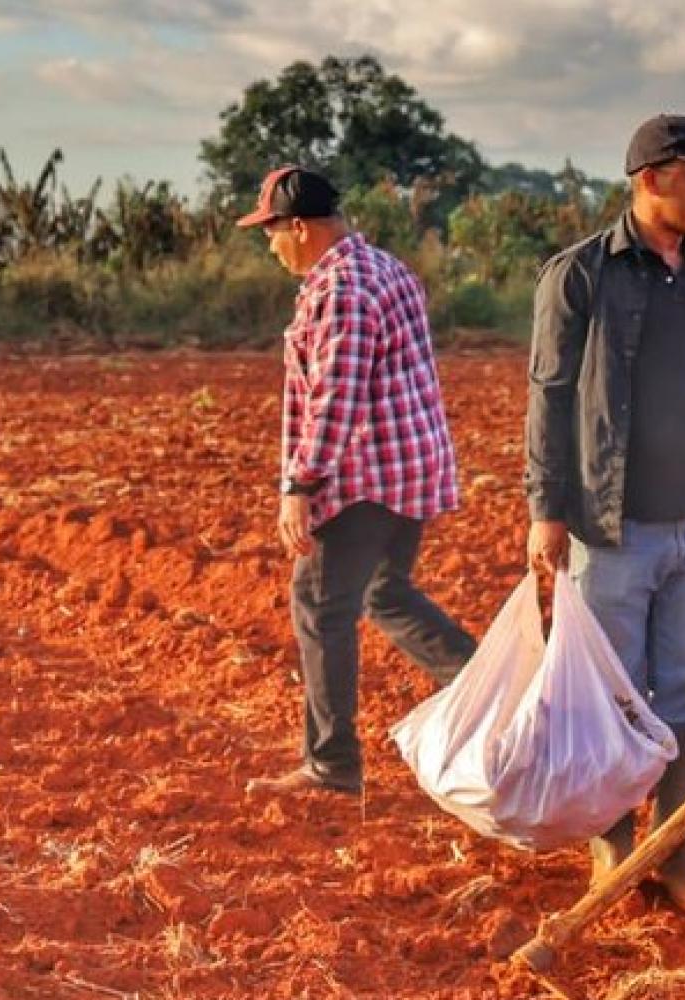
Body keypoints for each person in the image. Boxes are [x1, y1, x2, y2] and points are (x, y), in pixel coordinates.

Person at [524, 115, 685, 914]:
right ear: (651, 177)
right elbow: (549, 401)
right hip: (610, 528)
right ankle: (615, 848)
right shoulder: (580, 275)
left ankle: (674, 847)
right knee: (615, 694)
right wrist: (546, 512)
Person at [240, 166, 476, 797]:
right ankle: (491, 691)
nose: (269, 247)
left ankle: (331, 764)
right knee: (385, 593)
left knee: (320, 607)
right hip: (410, 468)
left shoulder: (340, 288)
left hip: (364, 477)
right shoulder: (386, 268)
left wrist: (300, 485)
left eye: (271, 233)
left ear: (299, 227)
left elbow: (335, 398)